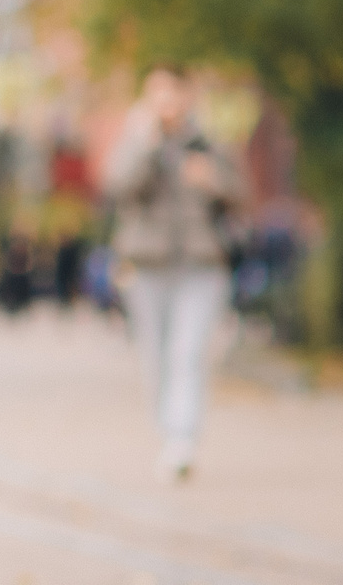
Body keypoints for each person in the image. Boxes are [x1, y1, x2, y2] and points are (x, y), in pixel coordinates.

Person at [104, 65, 245, 481]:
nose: (169, 103)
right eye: (159, 94)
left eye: (176, 93)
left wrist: (213, 181)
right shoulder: (136, 142)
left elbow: (242, 196)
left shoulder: (210, 144)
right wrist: (146, 147)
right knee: (156, 355)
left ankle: (182, 440)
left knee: (189, 352)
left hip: (202, 264)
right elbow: (118, 188)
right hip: (147, 265)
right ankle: (167, 431)